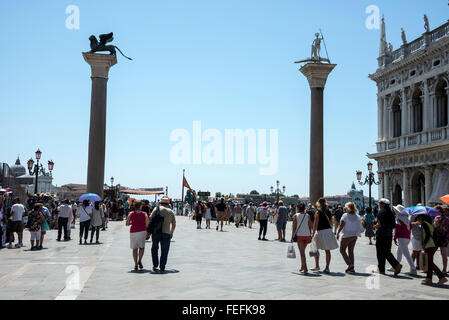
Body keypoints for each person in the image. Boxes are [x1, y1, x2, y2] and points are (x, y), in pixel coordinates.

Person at [415, 214, 448, 285]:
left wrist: (424, 243)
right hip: (433, 245)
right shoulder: (429, 223)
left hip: (430, 245)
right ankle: (429, 278)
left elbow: (427, 235)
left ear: (421, 218)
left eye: (418, 218)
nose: (417, 220)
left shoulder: (424, 223)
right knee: (429, 262)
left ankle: (442, 277)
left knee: (430, 262)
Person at [373, 199, 402, 275]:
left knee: (380, 252)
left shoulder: (381, 212)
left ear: (383, 204)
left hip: (381, 234)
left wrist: (374, 226)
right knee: (386, 251)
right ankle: (394, 266)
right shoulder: (391, 213)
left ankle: (391, 266)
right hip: (389, 235)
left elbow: (379, 224)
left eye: (380, 203)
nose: (379, 205)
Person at [311, 198, 338, 273]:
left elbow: (315, 224)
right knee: (327, 250)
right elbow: (331, 222)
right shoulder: (328, 212)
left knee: (315, 248)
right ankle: (327, 267)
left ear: (318, 204)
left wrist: (313, 233)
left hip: (321, 231)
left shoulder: (318, 212)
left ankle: (317, 265)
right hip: (328, 231)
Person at [150, 197, 176, 272]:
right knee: (164, 250)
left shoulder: (156, 209)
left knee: (154, 248)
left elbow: (150, 218)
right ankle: (162, 266)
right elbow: (174, 224)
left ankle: (155, 265)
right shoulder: (170, 211)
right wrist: (172, 232)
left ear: (160, 203)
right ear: (168, 203)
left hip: (156, 232)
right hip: (166, 233)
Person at [392, 205, 417, 275]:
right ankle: (395, 266)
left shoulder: (399, 218)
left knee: (406, 254)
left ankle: (413, 269)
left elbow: (397, 229)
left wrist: (394, 237)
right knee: (399, 252)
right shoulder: (407, 219)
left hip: (402, 238)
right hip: (407, 237)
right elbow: (411, 227)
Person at [337, 202, 361, 274]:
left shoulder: (345, 215)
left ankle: (350, 265)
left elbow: (341, 225)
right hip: (354, 235)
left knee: (342, 250)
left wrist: (338, 233)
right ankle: (352, 268)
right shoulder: (357, 216)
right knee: (351, 251)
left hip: (346, 235)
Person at [126, 201, 149, 271]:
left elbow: (127, 224)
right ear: (140, 206)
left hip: (133, 232)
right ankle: (140, 260)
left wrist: (132, 222)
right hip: (142, 231)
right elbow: (147, 224)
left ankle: (136, 264)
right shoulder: (144, 214)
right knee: (142, 247)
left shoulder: (131, 213)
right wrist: (148, 233)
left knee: (134, 248)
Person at [291, 202, 313, 274]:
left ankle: (305, 268)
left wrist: (292, 236)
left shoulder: (295, 216)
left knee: (302, 253)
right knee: (302, 251)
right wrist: (310, 234)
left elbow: (294, 227)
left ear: (298, 208)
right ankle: (302, 266)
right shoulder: (307, 215)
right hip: (307, 235)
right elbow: (310, 226)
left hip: (300, 235)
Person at [433, 206, 449, 275]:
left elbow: (442, 229)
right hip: (442, 238)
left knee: (441, 254)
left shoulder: (441, 218)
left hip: (441, 238)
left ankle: (443, 269)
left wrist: (437, 223)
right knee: (443, 254)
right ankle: (444, 269)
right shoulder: (446, 218)